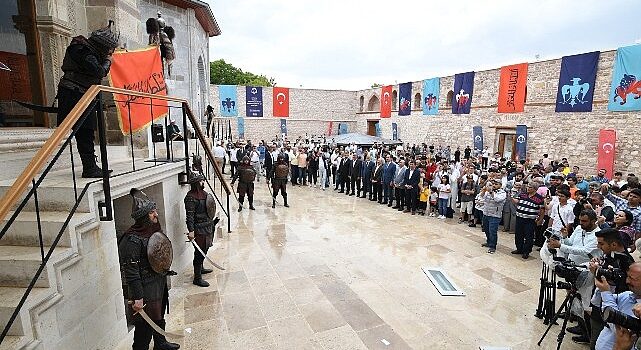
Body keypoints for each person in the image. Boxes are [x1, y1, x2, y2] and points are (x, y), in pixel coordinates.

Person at [57, 21, 119, 178]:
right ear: (102, 45)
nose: (109, 52)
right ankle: (89, 168)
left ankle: (91, 166)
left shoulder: (86, 49)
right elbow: (98, 72)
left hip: (82, 94)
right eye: (108, 49)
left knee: (87, 131)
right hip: (74, 94)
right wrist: (107, 61)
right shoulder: (81, 50)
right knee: (84, 131)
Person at [119, 188, 180, 350]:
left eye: (155, 211)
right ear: (143, 216)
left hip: (157, 281)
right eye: (152, 212)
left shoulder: (152, 232)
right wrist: (138, 297)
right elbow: (131, 272)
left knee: (158, 314)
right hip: (144, 287)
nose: (156, 215)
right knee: (144, 326)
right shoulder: (132, 240)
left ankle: (160, 344)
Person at [586, 229, 634, 347]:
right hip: (599, 304)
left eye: (601, 243)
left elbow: (627, 289)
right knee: (595, 339)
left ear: (613, 244)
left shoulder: (627, 264)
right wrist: (598, 266)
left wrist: (598, 273)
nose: (598, 246)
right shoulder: (608, 254)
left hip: (613, 309)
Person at [593, 263, 641, 350]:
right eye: (627, 276)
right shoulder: (628, 295)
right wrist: (609, 285)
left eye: (631, 278)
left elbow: (620, 331)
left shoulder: (639, 311)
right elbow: (597, 303)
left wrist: (605, 292)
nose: (627, 281)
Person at [184, 172, 219, 287]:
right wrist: (191, 231)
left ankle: (201, 268)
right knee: (199, 253)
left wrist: (212, 222)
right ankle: (197, 278)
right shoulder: (190, 198)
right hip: (199, 230)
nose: (203, 182)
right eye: (201, 181)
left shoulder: (205, 194)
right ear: (196, 183)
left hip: (208, 226)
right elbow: (190, 216)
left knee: (205, 249)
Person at [513, 182, 545, 259]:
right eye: (527, 187)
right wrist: (512, 197)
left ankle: (526, 251)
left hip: (530, 220)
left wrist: (540, 219)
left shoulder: (539, 198)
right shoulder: (523, 194)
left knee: (528, 236)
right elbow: (517, 201)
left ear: (535, 189)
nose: (528, 188)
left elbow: (542, 210)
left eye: (530, 187)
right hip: (519, 218)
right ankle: (519, 249)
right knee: (518, 234)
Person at [480, 179, 507, 254]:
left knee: (492, 231)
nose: (494, 185)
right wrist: (484, 190)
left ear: (500, 185)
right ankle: (488, 242)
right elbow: (482, 197)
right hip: (486, 213)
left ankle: (492, 246)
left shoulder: (503, 193)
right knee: (486, 229)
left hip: (495, 215)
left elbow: (497, 199)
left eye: (496, 184)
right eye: (493, 184)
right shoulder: (488, 191)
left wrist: (491, 192)